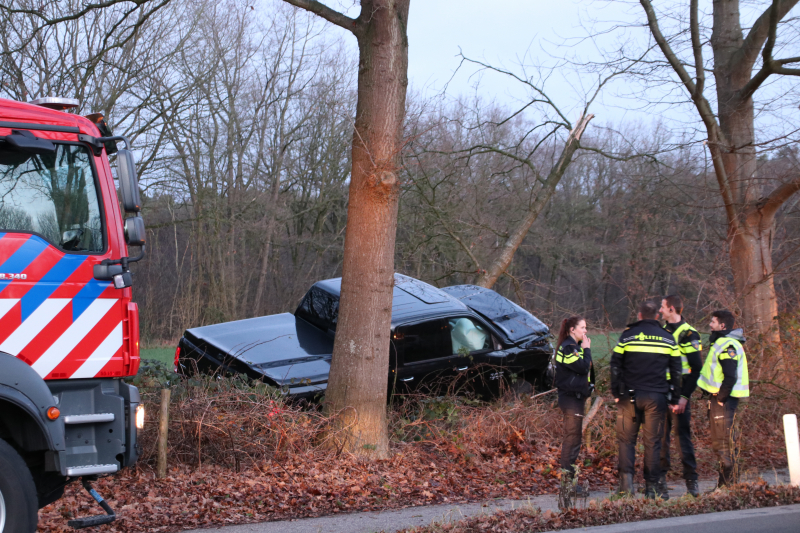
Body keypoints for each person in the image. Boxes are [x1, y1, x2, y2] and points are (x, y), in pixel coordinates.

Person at [610, 299, 682, 499]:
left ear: (639, 315)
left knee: (626, 441)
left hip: (629, 398)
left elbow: (615, 366)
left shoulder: (627, 336)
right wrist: (674, 398)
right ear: (656, 316)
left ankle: (626, 487)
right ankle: (652, 488)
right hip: (656, 398)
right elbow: (677, 371)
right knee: (653, 443)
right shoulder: (668, 338)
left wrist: (616, 393)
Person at [698, 309, 749, 487]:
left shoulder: (727, 344)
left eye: (713, 322)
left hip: (724, 402)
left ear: (722, 325)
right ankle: (727, 485)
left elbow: (730, 376)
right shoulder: (722, 342)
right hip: (721, 400)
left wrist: (720, 398)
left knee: (724, 443)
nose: (710, 324)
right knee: (722, 442)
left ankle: (727, 486)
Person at [658, 295, 702, 497]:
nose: (660, 310)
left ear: (672, 309)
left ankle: (691, 481)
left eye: (663, 307)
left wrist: (683, 397)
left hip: (680, 390)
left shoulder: (689, 334)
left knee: (682, 437)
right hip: (661, 389)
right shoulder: (661, 331)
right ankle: (660, 481)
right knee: (660, 437)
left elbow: (696, 368)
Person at [554, 316, 594, 494]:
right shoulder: (569, 348)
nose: (585, 331)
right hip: (570, 400)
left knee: (574, 439)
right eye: (583, 328)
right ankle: (568, 483)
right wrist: (587, 350)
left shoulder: (573, 347)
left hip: (575, 399)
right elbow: (583, 367)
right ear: (572, 330)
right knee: (572, 440)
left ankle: (568, 481)